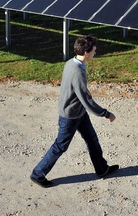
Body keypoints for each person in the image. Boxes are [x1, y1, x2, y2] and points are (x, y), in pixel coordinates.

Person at [30, 35, 118, 188]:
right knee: (60, 146)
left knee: (92, 139)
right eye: (94, 50)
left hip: (78, 112)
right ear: (86, 53)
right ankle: (38, 174)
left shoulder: (71, 62)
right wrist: (106, 113)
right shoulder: (78, 71)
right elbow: (86, 100)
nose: (95, 53)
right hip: (70, 116)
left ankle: (102, 169)